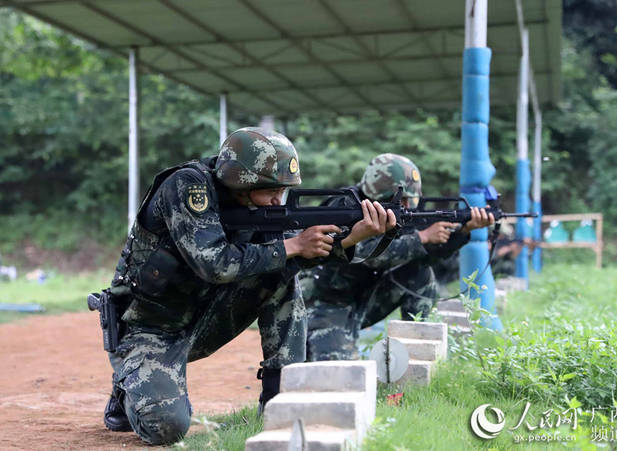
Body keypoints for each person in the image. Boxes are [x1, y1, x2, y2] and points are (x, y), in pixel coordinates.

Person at [101, 128, 395, 445]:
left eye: (283, 191)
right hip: (151, 326)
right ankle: (130, 382)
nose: (277, 200)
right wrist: (294, 245)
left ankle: (280, 399)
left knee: (280, 278)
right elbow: (214, 264)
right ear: (242, 181)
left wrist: (352, 238)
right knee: (168, 428)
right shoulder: (188, 186)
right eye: (271, 190)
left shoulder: (255, 207)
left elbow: (287, 258)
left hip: (204, 318)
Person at [302, 153, 494, 361]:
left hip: (365, 299)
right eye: (401, 198)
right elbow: (366, 254)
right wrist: (422, 237)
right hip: (326, 303)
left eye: (408, 198)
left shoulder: (392, 213)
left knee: (421, 274)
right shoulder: (344, 207)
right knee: (334, 373)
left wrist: (463, 231)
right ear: (379, 191)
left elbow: (424, 258)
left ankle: (414, 354)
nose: (407, 204)